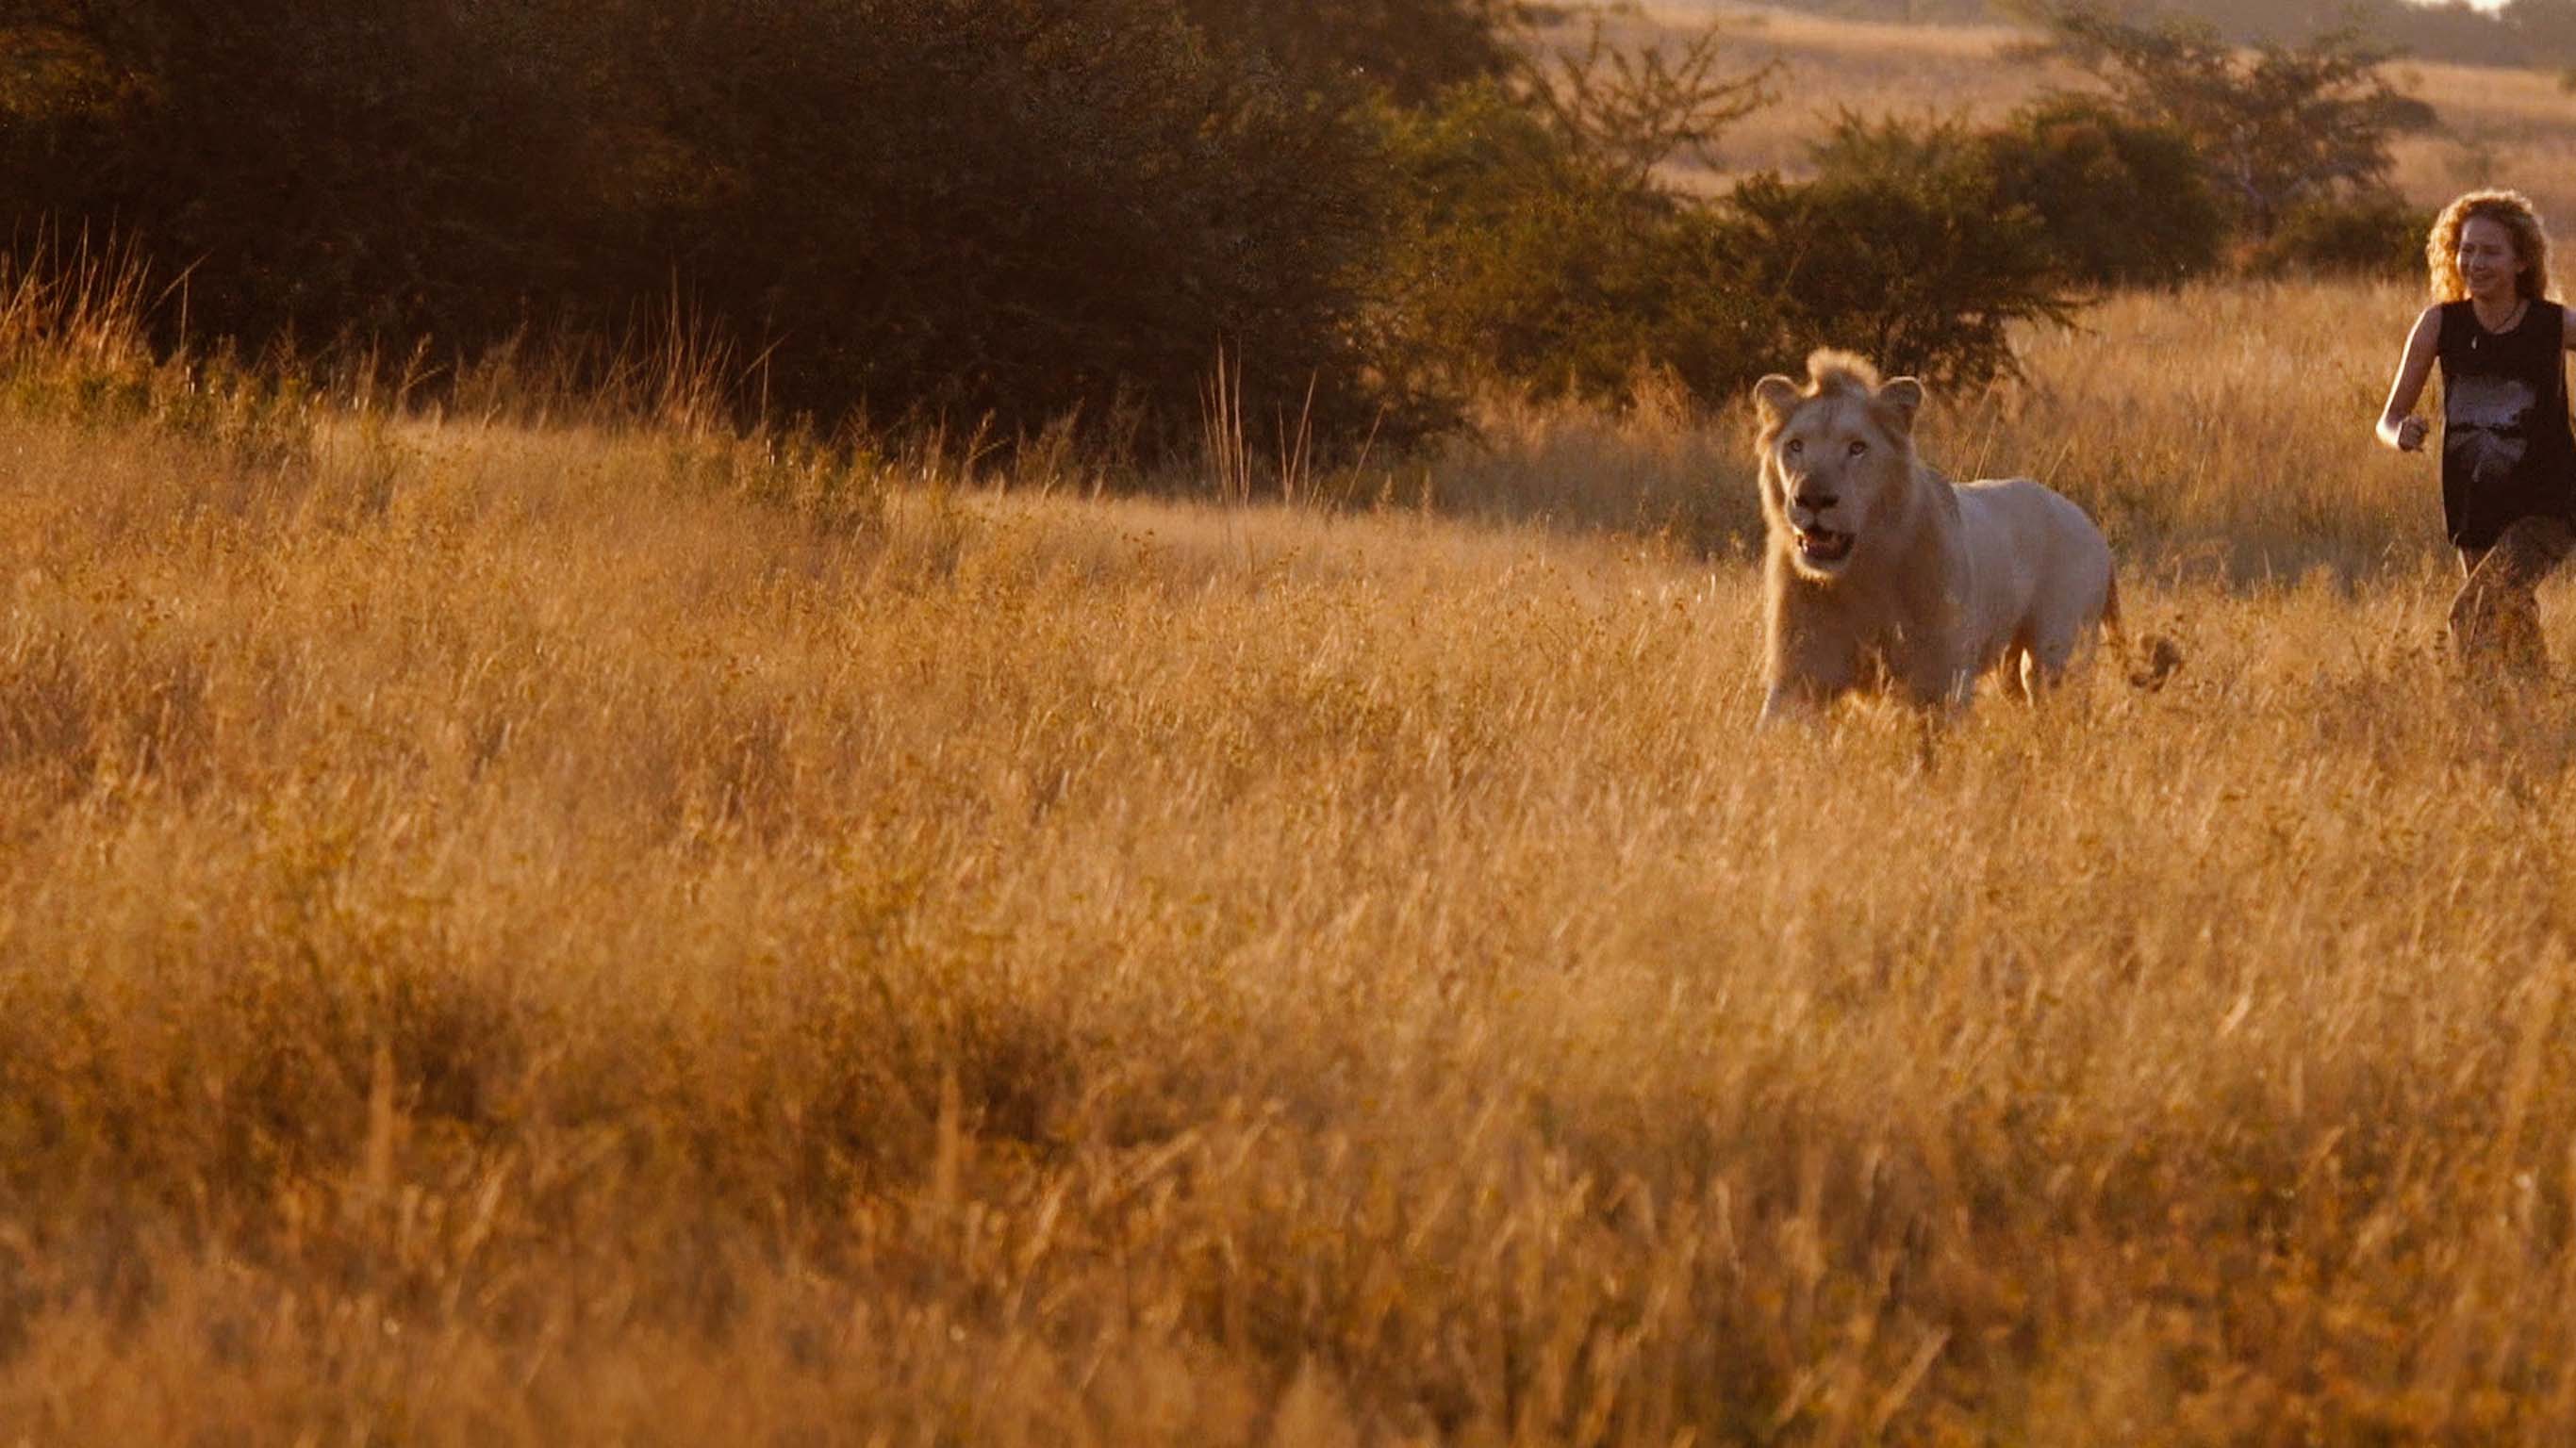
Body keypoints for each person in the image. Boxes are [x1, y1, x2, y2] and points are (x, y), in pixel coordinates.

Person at [2376, 189, 2576, 675]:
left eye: (2491, 251)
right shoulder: (2439, 324)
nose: (2475, 261)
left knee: (2472, 613)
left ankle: (2479, 712)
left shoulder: (2552, 324)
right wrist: (2401, 433)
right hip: (2474, 500)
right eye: (2467, 249)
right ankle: (2534, 724)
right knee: (2509, 622)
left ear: (2521, 261)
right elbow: (2388, 418)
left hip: (2548, 503)